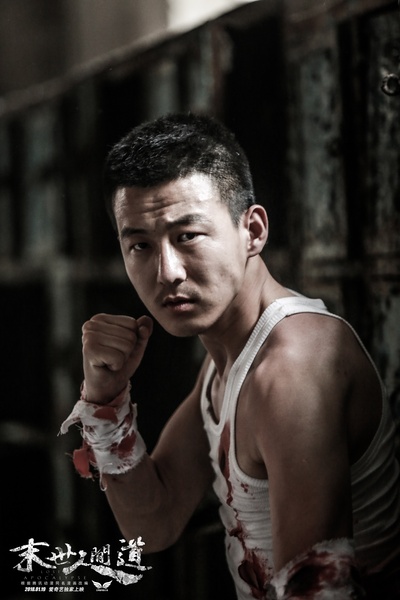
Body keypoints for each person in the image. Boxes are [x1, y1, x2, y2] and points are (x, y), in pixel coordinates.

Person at [60, 113, 400, 599]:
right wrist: (104, 397)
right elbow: (153, 522)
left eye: (187, 236)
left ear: (252, 231)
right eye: (140, 245)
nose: (167, 272)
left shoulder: (292, 368)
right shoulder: (228, 362)